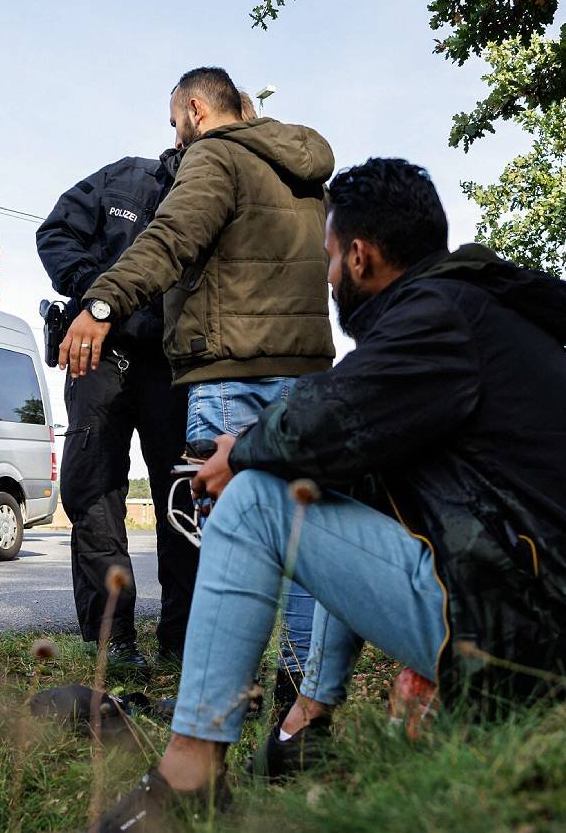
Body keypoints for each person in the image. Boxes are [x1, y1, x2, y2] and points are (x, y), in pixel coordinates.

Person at [94, 158, 566, 831]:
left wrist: (240, 451)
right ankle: (304, 726)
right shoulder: (466, 314)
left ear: (360, 257)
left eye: (331, 258)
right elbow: (343, 443)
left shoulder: (437, 315)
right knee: (335, 486)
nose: (330, 275)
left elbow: (326, 414)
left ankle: (188, 777)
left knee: (251, 502)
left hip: (555, 634)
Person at [60, 66, 334, 702]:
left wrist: (101, 305)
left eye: (175, 122)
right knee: (299, 549)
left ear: (194, 109)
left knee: (222, 544)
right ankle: (299, 700)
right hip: (304, 378)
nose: (176, 136)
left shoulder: (212, 155)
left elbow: (171, 238)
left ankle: (215, 699)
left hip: (228, 376)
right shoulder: (304, 167)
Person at [37, 148, 193, 669]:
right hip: (99, 351)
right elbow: (55, 233)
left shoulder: (218, 187)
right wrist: (93, 292)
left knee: (182, 496)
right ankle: (114, 638)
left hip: (174, 362)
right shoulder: (124, 178)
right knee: (94, 489)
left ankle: (182, 638)